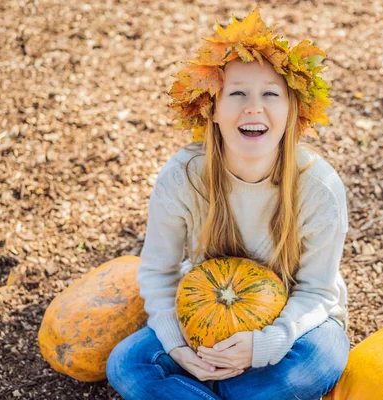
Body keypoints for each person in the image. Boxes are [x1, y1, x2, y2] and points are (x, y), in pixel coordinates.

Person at [106, 7, 350, 400]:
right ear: (213, 110)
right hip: (205, 317)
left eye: (271, 94)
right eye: (237, 93)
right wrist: (177, 347)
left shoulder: (318, 188)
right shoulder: (184, 176)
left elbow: (318, 292)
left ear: (291, 112)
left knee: (318, 361)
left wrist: (265, 345)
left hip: (292, 322)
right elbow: (158, 272)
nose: (253, 107)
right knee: (127, 364)